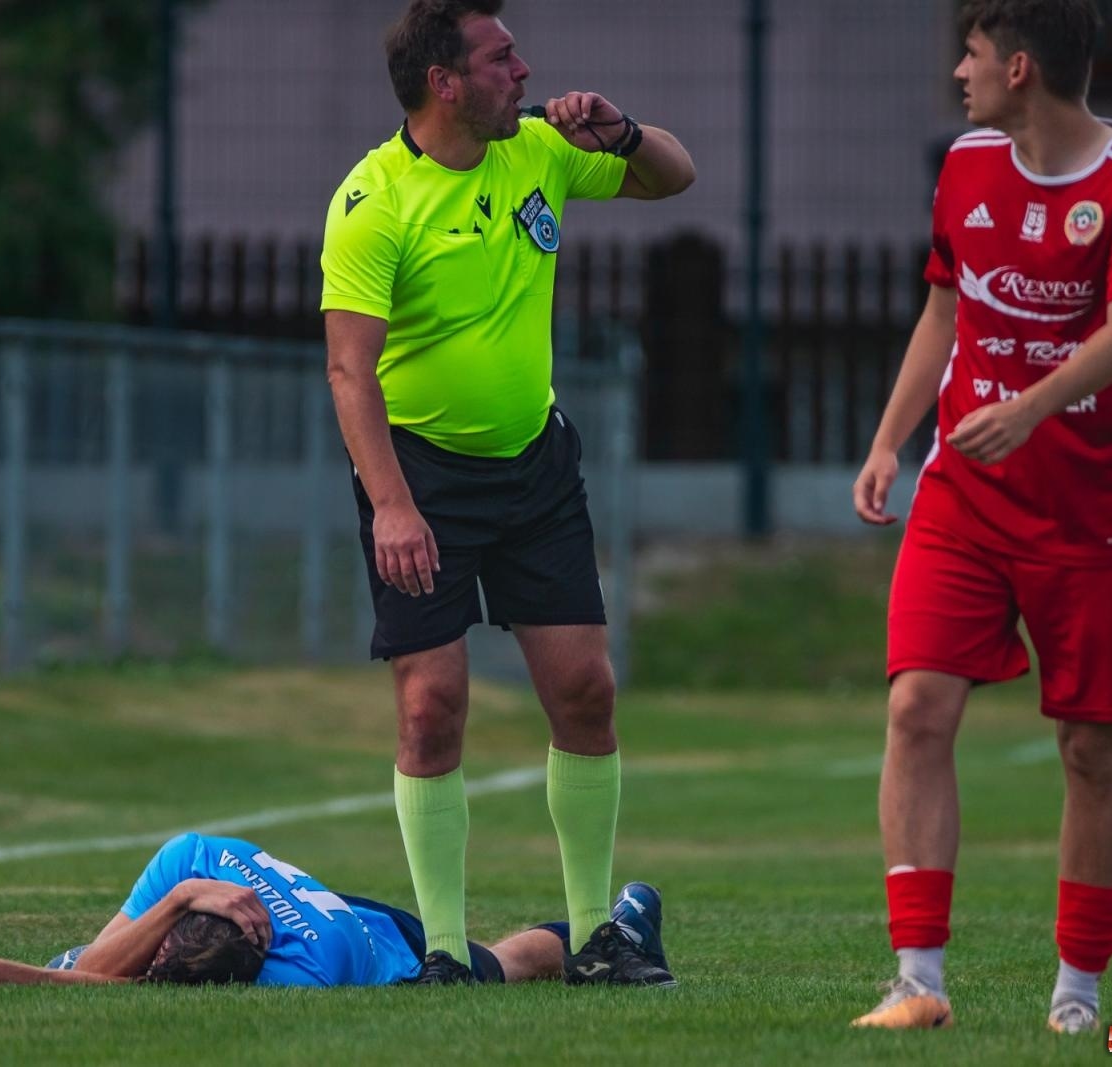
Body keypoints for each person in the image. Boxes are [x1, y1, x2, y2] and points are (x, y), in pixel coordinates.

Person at [320, 0, 693, 988]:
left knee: (585, 691)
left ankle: (596, 936)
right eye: (500, 58)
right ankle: (445, 951)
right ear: (444, 83)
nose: (523, 72)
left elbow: (674, 176)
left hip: (534, 467)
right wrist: (393, 505)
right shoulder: (373, 200)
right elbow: (350, 371)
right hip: (422, 478)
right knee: (431, 706)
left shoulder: (538, 150)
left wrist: (621, 131)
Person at [849, 0, 1112, 1036]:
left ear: (1021, 67)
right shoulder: (963, 166)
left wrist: (1032, 408)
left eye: (972, 53)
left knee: (1091, 749)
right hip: (964, 492)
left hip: (1093, 508)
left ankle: (1078, 994)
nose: (960, 71)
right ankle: (917, 980)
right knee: (916, 707)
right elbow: (944, 309)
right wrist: (890, 439)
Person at [0, 832, 670, 988]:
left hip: (375, 940)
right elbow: (102, 964)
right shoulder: (190, 858)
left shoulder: (302, 975)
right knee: (92, 956)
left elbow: (103, 983)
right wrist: (177, 897)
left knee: (499, 962)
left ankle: (621, 927)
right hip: (314, 905)